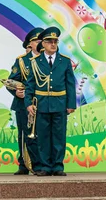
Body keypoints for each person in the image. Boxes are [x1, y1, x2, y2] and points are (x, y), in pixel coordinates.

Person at [25, 27, 76, 176]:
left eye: (55, 41)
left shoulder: (65, 61)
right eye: (49, 42)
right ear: (43, 43)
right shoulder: (35, 62)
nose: (53, 44)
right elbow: (30, 85)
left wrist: (71, 104)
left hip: (60, 103)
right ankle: (45, 166)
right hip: (41, 104)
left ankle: (58, 166)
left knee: (59, 136)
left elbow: (70, 84)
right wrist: (28, 103)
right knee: (43, 136)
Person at [7, 27, 43, 175]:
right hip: (23, 104)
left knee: (42, 133)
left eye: (42, 40)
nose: (40, 42)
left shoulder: (48, 58)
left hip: (43, 103)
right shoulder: (22, 61)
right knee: (24, 134)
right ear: (30, 44)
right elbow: (10, 81)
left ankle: (42, 163)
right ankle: (24, 164)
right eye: (36, 41)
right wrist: (16, 92)